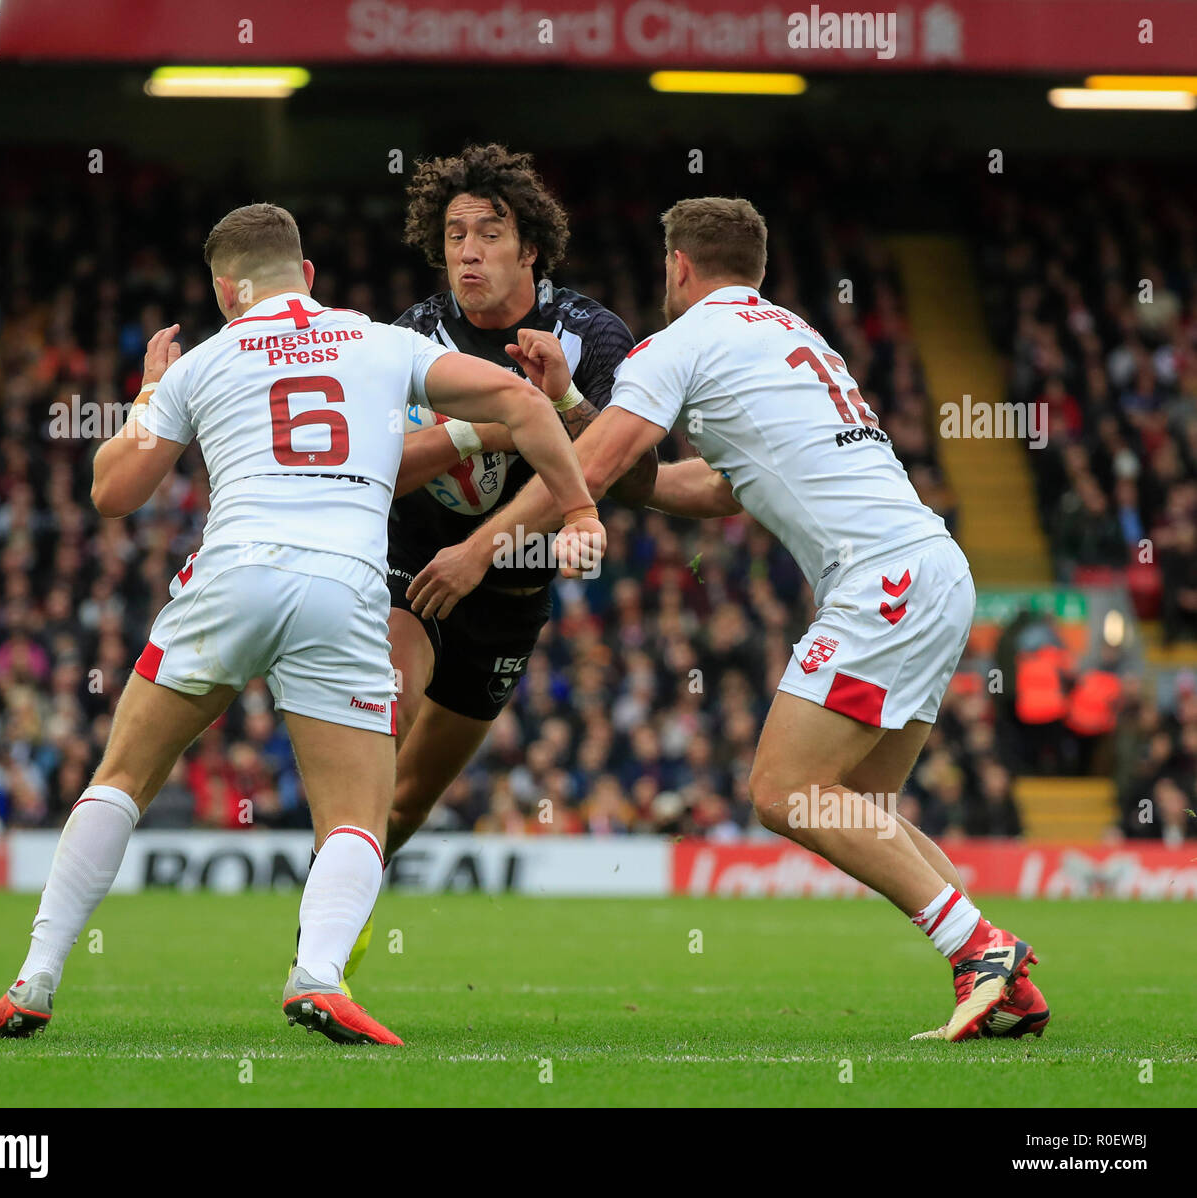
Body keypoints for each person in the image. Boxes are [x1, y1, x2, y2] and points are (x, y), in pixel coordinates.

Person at [0, 202, 603, 1047]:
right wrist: (578, 509)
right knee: (354, 812)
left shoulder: (207, 359)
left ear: (228, 293)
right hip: (345, 586)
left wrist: (153, 391)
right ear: (306, 276)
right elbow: (526, 406)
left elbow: (112, 493)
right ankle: (319, 976)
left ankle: (34, 980)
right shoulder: (380, 340)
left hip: (233, 573)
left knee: (123, 775)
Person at [428, 195, 1048, 1042]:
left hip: (884, 581)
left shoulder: (679, 344)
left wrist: (481, 549)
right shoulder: (793, 336)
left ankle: (979, 950)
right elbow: (706, 489)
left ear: (678, 267)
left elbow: (598, 471)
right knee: (861, 802)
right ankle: (997, 969)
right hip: (935, 568)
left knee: (784, 791)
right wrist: (573, 395)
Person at [297, 145, 654, 986]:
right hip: (411, 567)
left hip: (509, 589)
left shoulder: (594, 337)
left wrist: (559, 404)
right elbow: (381, 462)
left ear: (529, 247)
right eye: (454, 234)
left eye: (488, 234)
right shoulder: (411, 338)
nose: (467, 251)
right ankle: (319, 952)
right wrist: (489, 428)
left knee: (408, 800)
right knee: (381, 728)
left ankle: (329, 920)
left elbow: (622, 473)